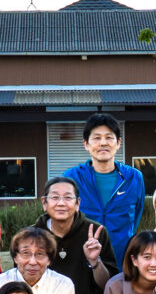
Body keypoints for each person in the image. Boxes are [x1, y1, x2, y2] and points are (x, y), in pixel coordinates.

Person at [35, 174, 116, 294]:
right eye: (55, 197)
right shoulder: (33, 236)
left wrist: (95, 261)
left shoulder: (96, 233)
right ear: (44, 202)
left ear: (78, 202)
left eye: (68, 197)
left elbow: (108, 284)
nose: (61, 203)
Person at [62, 113, 149, 265]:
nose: (103, 143)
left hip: (123, 262)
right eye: (96, 138)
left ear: (118, 143)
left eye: (109, 137)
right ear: (86, 144)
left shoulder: (134, 178)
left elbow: (135, 219)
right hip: (82, 262)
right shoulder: (72, 177)